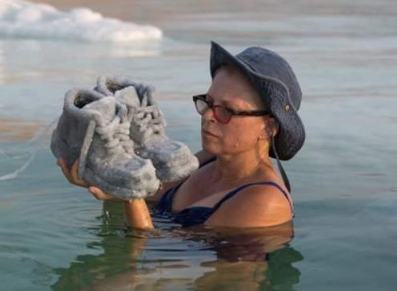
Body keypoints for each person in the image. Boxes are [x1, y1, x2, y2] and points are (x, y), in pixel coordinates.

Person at [58, 41, 305, 230]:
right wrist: (105, 179)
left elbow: (171, 263)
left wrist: (131, 197)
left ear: (269, 128)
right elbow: (147, 195)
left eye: (227, 110)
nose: (208, 115)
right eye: (208, 102)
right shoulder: (206, 159)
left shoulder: (265, 200)